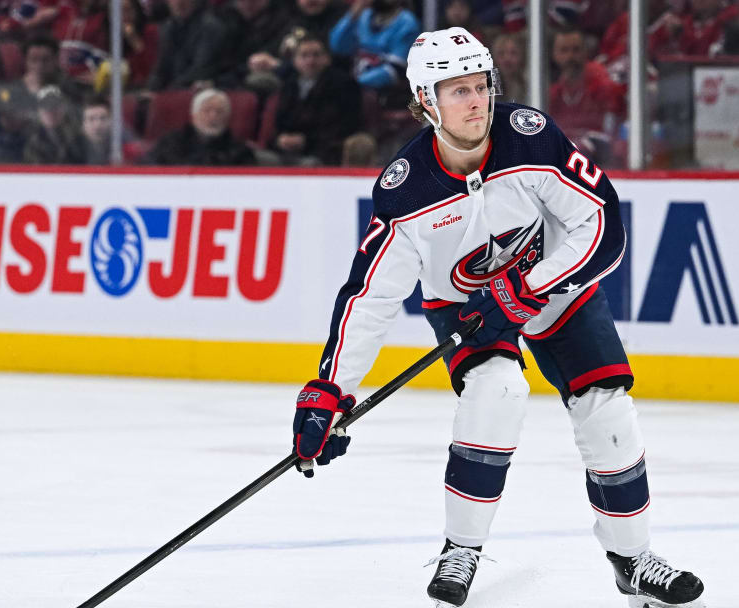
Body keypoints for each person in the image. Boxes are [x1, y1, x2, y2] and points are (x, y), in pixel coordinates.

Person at [289, 26, 705, 608]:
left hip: (555, 285)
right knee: (497, 389)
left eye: (481, 85)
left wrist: (529, 287)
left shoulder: (529, 138)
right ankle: (460, 550)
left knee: (607, 407)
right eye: (457, 90)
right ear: (425, 102)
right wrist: (330, 391)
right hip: (465, 306)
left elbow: (603, 226)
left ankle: (633, 559)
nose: (477, 100)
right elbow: (369, 297)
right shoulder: (405, 190)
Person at [271, 35, 361, 166]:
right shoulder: (288, 85)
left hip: (323, 152)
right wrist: (280, 139)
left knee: (308, 164)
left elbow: (344, 126)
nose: (310, 61)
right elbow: (278, 121)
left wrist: (306, 140)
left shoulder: (343, 85)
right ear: (295, 61)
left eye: (316, 55)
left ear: (327, 59)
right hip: (285, 151)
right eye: (304, 56)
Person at [548, 26, 623, 166]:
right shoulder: (552, 95)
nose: (570, 57)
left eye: (575, 50)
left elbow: (612, 139)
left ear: (585, 52)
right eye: (564, 50)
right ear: (554, 55)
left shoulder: (604, 88)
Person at [144, 89, 256, 165]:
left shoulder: (239, 150)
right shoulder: (171, 143)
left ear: (227, 117)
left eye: (220, 111)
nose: (213, 116)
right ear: (194, 115)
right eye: (207, 110)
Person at [147, 0, 229, 91]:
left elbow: (201, 69)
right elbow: (161, 67)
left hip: (202, 89)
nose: (179, 2)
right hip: (175, 90)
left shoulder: (210, 27)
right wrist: (152, 87)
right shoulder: (168, 27)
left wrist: (170, 88)